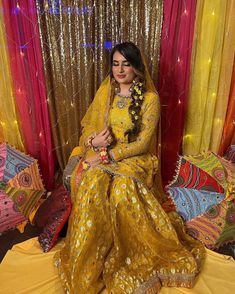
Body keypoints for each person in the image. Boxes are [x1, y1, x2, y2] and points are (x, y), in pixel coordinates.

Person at [55, 42, 205, 294]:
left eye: (126, 63)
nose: (120, 69)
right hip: (103, 155)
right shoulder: (107, 94)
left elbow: (142, 144)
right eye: (116, 63)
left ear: (137, 67)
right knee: (92, 186)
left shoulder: (150, 100)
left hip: (135, 160)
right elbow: (88, 132)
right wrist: (94, 143)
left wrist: (104, 156)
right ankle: (90, 262)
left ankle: (128, 260)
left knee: (122, 192)